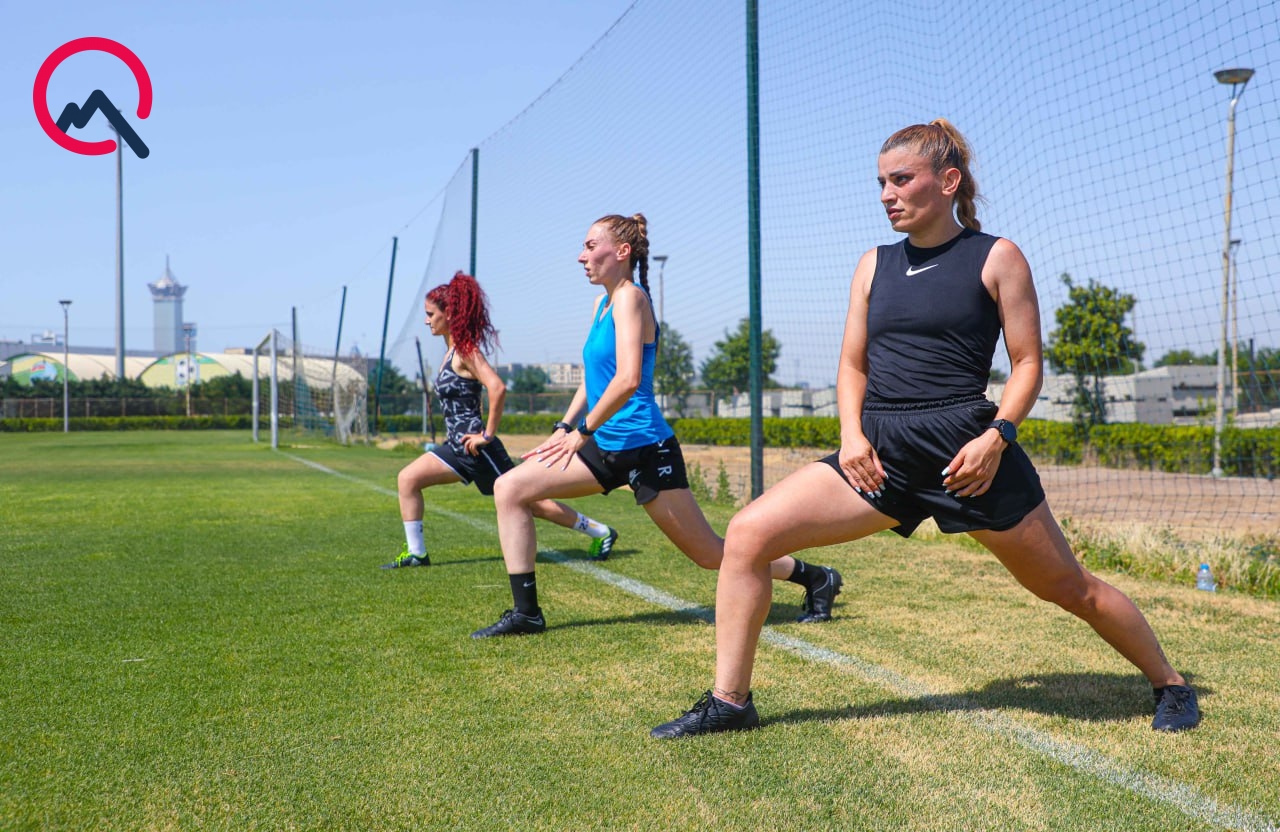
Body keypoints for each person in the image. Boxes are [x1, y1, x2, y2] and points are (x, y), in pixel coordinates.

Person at [652, 121, 1200, 737]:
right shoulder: (873, 265)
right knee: (749, 533)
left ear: (948, 181)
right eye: (881, 183)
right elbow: (852, 365)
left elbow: (1027, 364)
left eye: (901, 179)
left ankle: (1171, 684)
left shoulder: (997, 256)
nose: (887, 194)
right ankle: (730, 702)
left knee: (1070, 588)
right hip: (878, 455)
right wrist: (852, 436)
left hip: (967, 457)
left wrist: (997, 438)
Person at [472, 214, 843, 638]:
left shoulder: (632, 298)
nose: (581, 256)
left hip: (645, 448)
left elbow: (628, 379)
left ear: (622, 251)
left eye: (590, 246)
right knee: (510, 488)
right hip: (602, 443)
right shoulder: (602, 304)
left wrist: (582, 432)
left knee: (710, 554)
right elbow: (595, 379)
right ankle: (526, 614)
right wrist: (564, 426)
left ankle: (816, 577)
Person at [384, 271, 618, 569]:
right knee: (408, 478)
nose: (426, 320)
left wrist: (487, 435)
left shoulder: (466, 351)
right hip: (456, 447)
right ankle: (417, 554)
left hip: (478, 450)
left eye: (431, 314)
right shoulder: (449, 351)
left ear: (449, 314)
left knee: (532, 503)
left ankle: (600, 531)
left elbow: (497, 387)